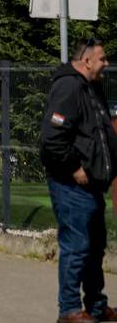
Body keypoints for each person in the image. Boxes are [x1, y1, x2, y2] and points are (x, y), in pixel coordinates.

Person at [40, 38, 117, 323]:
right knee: (76, 246)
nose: (106, 65)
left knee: (95, 247)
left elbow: (97, 132)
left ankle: (96, 306)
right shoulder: (69, 87)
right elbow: (52, 138)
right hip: (71, 185)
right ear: (86, 61)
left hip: (93, 184)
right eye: (103, 59)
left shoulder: (91, 86)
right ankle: (69, 310)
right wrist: (75, 168)